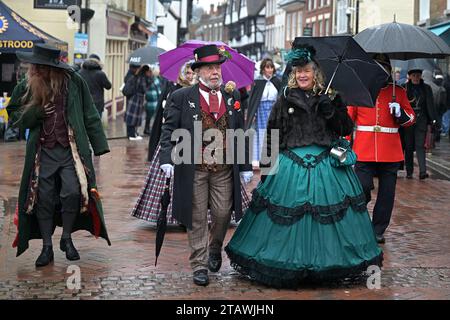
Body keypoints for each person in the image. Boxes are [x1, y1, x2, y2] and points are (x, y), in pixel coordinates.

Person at [225, 44, 383, 288]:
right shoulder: (284, 98)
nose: (302, 75)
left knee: (328, 217)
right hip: (290, 166)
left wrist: (332, 112)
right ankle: (290, 263)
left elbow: (345, 129)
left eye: (307, 70)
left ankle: (326, 263)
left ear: (315, 72)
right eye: (298, 71)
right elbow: (272, 136)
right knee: (287, 217)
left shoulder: (330, 96)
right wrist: (268, 170)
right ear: (293, 74)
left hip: (326, 167)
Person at [6, 43, 111, 267]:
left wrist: (99, 145)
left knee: (73, 193)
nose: (34, 69)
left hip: (70, 150)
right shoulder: (27, 84)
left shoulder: (74, 82)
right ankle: (46, 247)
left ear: (51, 67)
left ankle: (66, 239)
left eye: (39, 66)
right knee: (42, 198)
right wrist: (35, 113)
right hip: (41, 152)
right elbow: (13, 113)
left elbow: (90, 113)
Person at [159, 44, 253, 286]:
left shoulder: (232, 96)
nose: (215, 72)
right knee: (197, 217)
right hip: (194, 169)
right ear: (198, 71)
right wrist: (167, 158)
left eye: (217, 67)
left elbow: (239, 132)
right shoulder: (181, 97)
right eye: (209, 68)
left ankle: (215, 247)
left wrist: (243, 165)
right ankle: (199, 264)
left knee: (223, 214)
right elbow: (169, 129)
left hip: (223, 168)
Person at [348, 53, 415, 244]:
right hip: (364, 150)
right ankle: (360, 223)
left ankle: (378, 229)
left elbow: (410, 120)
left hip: (390, 151)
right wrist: (343, 142)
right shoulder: (359, 90)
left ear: (388, 70)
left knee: (387, 195)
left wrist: (400, 113)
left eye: (383, 67)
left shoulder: (398, 92)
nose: (380, 70)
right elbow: (347, 121)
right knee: (361, 188)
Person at [148, 60, 195, 161]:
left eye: (193, 73)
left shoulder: (200, 90)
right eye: (188, 73)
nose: (190, 76)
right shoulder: (176, 89)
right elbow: (167, 112)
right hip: (177, 134)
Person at [246, 58, 282, 167]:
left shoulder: (277, 81)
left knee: (272, 132)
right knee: (260, 133)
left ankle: (272, 157)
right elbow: (253, 100)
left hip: (273, 110)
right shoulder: (258, 82)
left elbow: (280, 97)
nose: (270, 70)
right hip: (261, 110)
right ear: (263, 69)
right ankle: (258, 158)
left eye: (271, 67)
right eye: (267, 67)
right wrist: (253, 114)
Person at [404, 68, 438, 179]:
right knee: (408, 146)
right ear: (410, 77)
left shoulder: (426, 88)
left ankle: (422, 171)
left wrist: (433, 121)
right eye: (414, 75)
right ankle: (409, 171)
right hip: (408, 120)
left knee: (420, 146)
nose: (416, 78)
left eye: (418, 75)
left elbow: (430, 105)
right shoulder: (404, 88)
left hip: (421, 120)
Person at [122, 64, 152, 140]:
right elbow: (144, 89)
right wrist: (149, 78)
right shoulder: (140, 78)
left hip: (134, 98)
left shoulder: (136, 75)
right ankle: (131, 134)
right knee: (133, 117)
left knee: (133, 117)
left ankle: (133, 133)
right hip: (136, 99)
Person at [79, 53, 112, 118]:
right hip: (97, 104)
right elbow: (108, 86)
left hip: (83, 102)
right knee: (96, 125)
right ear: (98, 63)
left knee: (84, 124)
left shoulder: (80, 72)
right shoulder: (100, 74)